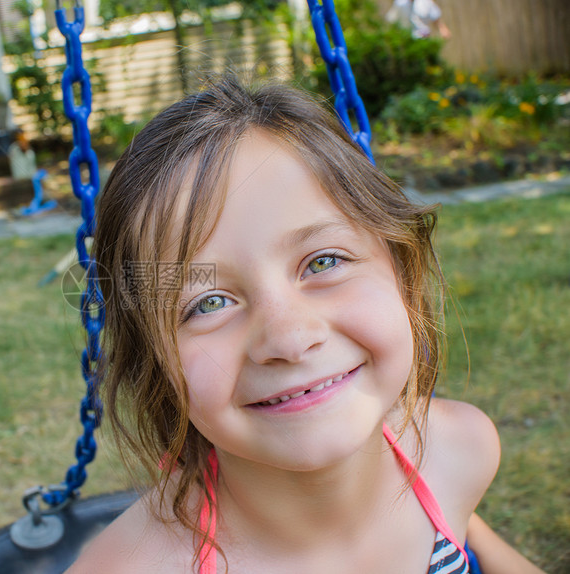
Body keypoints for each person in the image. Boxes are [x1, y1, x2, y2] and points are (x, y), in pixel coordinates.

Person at [67, 77, 545, 573]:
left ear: (401, 269)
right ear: (157, 363)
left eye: (323, 262)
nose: (290, 340)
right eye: (208, 302)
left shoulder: (458, 451)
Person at [386, 0, 451, 39]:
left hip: (424, 38)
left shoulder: (426, 2)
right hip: (406, 39)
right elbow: (392, 20)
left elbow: (436, 18)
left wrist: (443, 30)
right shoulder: (399, 3)